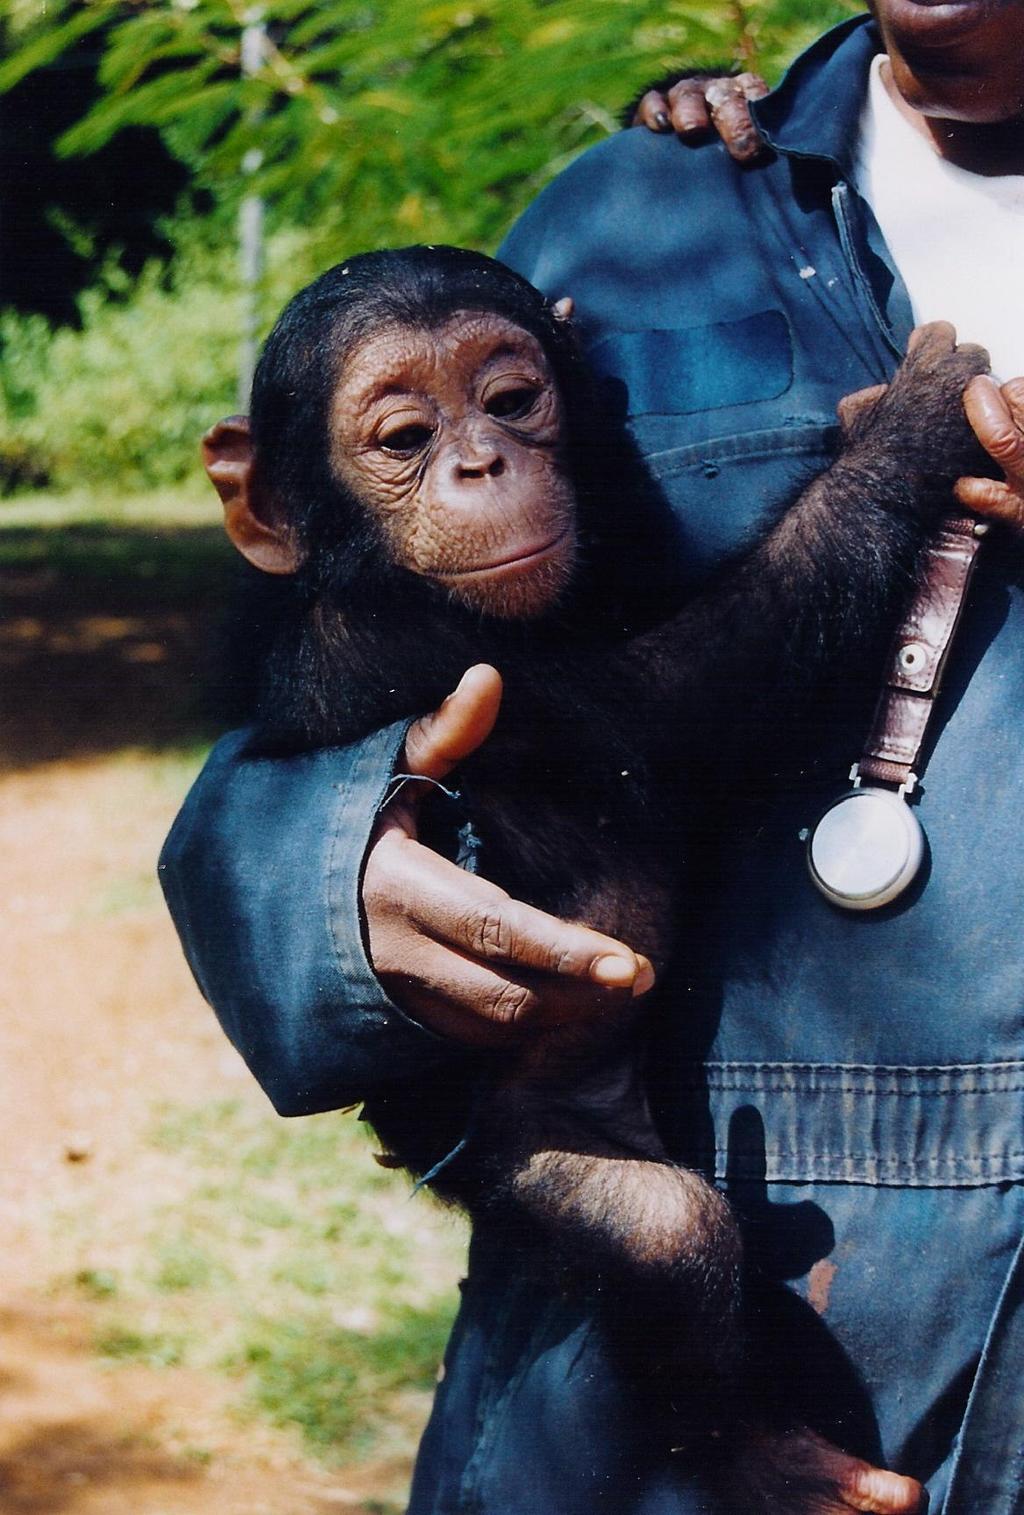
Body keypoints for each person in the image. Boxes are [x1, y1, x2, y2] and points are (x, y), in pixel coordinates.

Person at [159, 4, 1024, 1510]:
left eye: (507, 413)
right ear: (273, 502)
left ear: (557, 383)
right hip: (655, 1192)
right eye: (411, 443)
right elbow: (282, 815)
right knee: (662, 1238)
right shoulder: (642, 211)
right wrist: (330, 888)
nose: (482, 463)